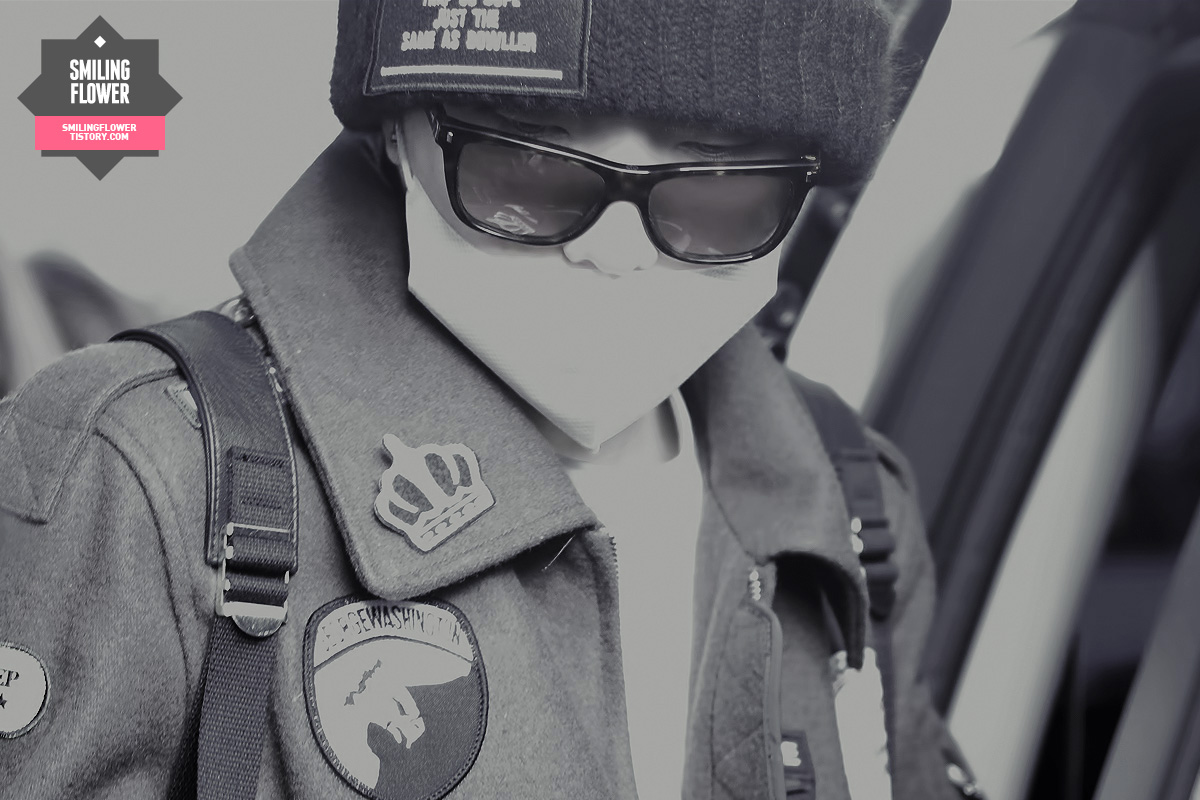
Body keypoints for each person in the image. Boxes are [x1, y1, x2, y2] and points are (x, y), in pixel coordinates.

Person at [0, 1, 981, 798]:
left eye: (716, 188)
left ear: (805, 192)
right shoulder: (148, 473)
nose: (614, 250)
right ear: (399, 135)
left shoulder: (848, 502)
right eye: (531, 167)